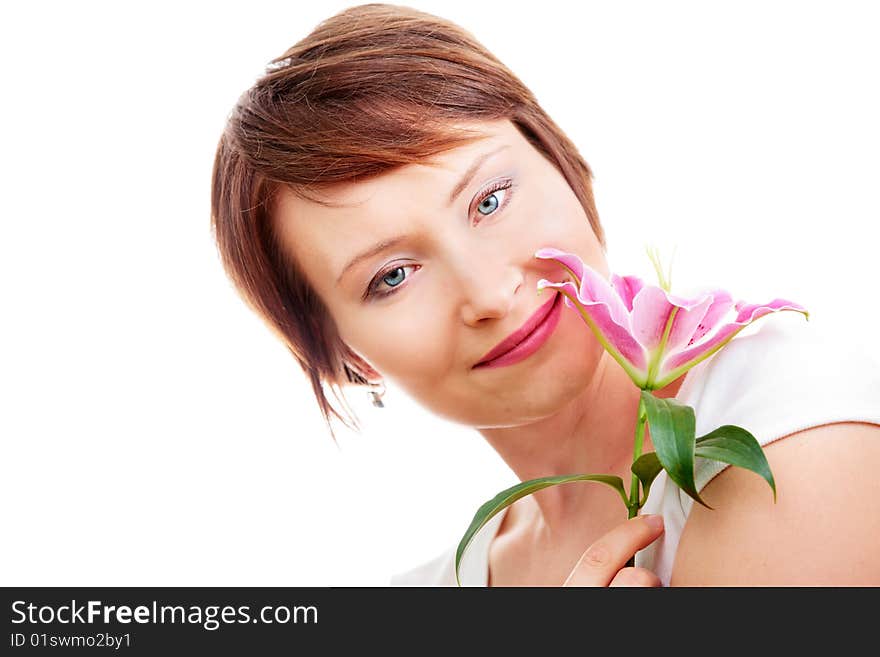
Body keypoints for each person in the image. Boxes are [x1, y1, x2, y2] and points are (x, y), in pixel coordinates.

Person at [210, 3, 880, 586]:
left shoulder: (785, 429)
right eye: (392, 276)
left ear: (560, 159)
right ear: (347, 357)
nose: (488, 293)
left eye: (489, 199)